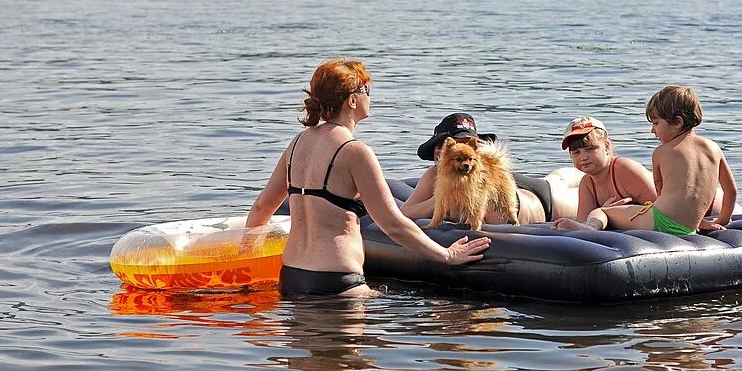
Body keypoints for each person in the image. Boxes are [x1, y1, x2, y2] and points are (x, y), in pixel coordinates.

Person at [246, 60, 491, 296]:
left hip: (291, 277)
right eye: (367, 90)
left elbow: (262, 207)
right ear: (352, 100)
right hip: (337, 283)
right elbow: (393, 224)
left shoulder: (297, 144)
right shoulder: (355, 152)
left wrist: (247, 258)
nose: (370, 95)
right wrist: (446, 255)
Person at [553, 85, 738, 235]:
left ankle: (592, 229)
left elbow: (661, 193)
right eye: (575, 153)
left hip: (660, 220)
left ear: (678, 122)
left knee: (601, 212)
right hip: (689, 227)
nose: (652, 130)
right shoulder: (714, 148)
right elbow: (731, 190)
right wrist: (722, 220)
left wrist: (616, 213)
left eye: (656, 123)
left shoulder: (661, 152)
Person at [400, 112, 581, 225]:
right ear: (439, 152)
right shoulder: (434, 174)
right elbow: (403, 214)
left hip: (542, 200)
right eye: (454, 148)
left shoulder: (478, 180)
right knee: (559, 179)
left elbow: (487, 215)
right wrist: (439, 201)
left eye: (469, 148)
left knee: (569, 182)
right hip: (531, 186)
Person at [557, 116, 659, 223]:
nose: (583, 157)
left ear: (606, 146)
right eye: (576, 152)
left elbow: (662, 210)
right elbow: (583, 224)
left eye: (590, 149)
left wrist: (611, 212)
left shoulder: (625, 170)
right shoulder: (587, 183)